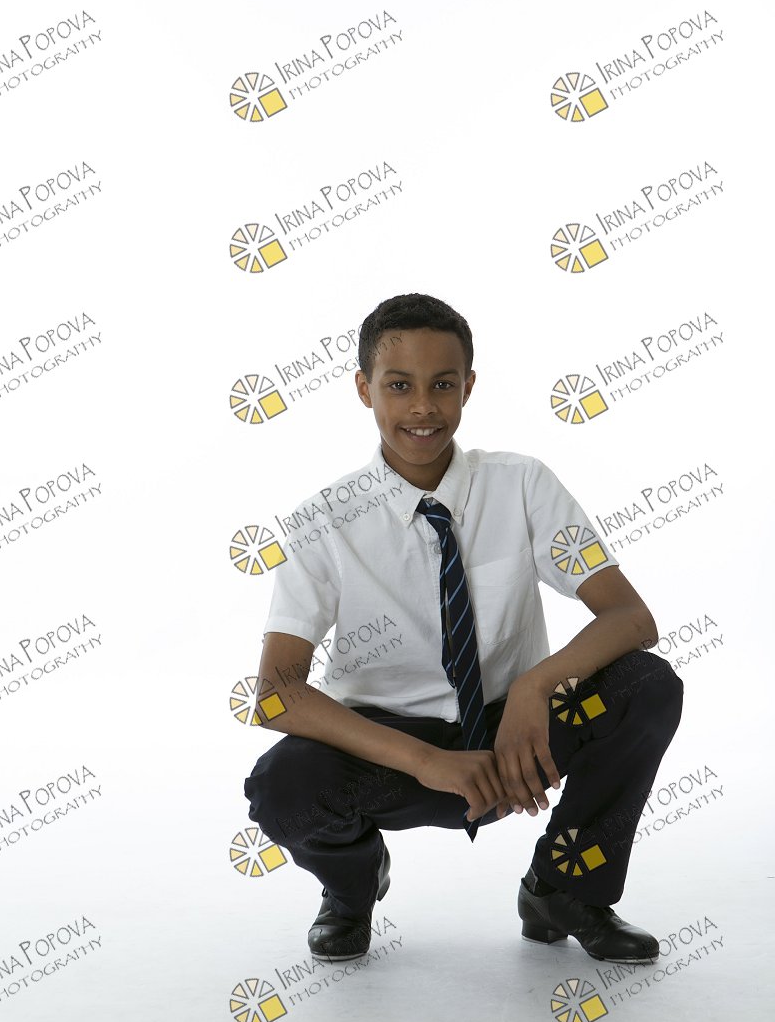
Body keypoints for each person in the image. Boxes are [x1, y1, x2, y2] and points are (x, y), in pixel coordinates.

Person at [244, 292, 684, 966]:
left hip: (517, 741)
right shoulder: (323, 521)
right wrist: (426, 760)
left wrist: (536, 687)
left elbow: (630, 617)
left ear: (468, 387)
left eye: (443, 385)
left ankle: (563, 889)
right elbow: (277, 695)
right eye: (399, 386)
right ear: (363, 389)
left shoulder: (523, 484)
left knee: (645, 685)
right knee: (283, 785)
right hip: (389, 753)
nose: (423, 408)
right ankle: (352, 888)